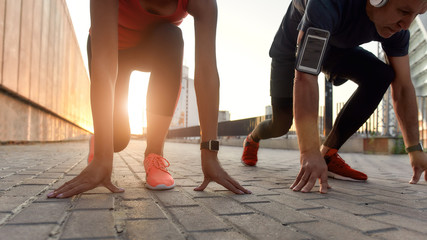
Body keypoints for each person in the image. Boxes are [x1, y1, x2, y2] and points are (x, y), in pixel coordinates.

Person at [48, 0, 251, 198]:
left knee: (171, 36)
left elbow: (206, 72)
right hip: (111, 47)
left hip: (156, 46)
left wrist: (210, 156)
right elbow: (104, 66)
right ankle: (100, 143)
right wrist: (102, 158)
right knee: (116, 140)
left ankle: (154, 155)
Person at [241, 0, 427, 193]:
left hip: (335, 48)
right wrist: (309, 152)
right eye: (404, 11)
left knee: (382, 75)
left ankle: (328, 155)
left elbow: (404, 86)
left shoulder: (399, 30)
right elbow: (306, 75)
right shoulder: (327, 3)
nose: (406, 25)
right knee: (280, 125)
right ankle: (252, 139)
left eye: (417, 14)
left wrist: (414, 149)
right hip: (289, 51)